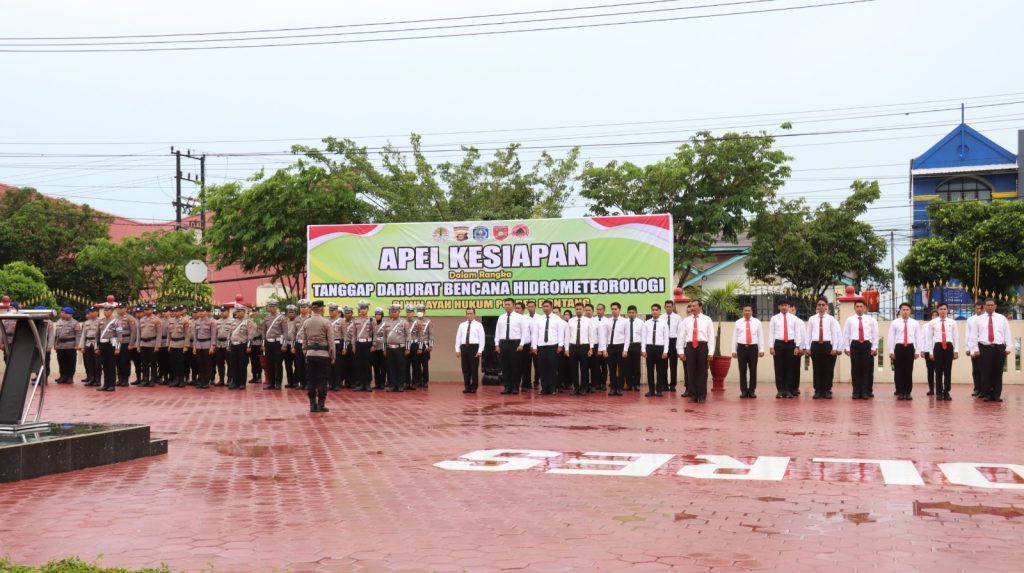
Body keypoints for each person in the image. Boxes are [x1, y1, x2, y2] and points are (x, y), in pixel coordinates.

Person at [968, 297, 1012, 402]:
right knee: (985, 372)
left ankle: (996, 394)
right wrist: (975, 349)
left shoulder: (1002, 318)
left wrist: (1009, 346)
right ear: (984, 306)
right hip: (984, 348)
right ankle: (986, 394)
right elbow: (973, 336)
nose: (990, 307)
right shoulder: (978, 319)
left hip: (999, 347)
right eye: (988, 305)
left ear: (996, 306)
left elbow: (1007, 333)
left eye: (992, 305)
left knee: (998, 372)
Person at [805, 297, 843, 400]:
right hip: (815, 345)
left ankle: (827, 390)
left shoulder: (831, 320)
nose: (821, 307)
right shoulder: (812, 319)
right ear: (816, 306)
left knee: (828, 369)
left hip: (827, 346)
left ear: (826, 306)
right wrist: (807, 347)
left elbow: (834, 334)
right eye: (819, 305)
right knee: (817, 369)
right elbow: (808, 334)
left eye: (823, 305)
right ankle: (818, 390)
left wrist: (834, 348)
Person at [301, 300, 336, 412]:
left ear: (312, 309)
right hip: (323, 355)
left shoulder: (306, 322)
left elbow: (304, 342)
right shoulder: (326, 322)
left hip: (310, 354)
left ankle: (312, 405)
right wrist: (333, 356)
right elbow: (331, 342)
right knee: (322, 380)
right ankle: (321, 404)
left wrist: (306, 354)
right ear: (321, 309)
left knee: (311, 380)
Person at [679, 300, 715, 404]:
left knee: (702, 372)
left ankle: (701, 395)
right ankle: (693, 395)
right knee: (691, 371)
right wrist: (681, 351)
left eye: (694, 306)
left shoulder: (707, 320)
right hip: (690, 346)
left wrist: (710, 352)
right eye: (691, 306)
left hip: (702, 346)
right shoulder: (686, 321)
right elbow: (682, 336)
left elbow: (711, 336)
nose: (692, 308)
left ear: (700, 307)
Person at [842, 299, 878, 400]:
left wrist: (874, 347)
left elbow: (875, 335)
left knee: (866, 369)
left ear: (865, 308)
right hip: (855, 345)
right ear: (854, 308)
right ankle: (856, 392)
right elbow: (846, 334)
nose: (859, 308)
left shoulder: (871, 320)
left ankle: (865, 391)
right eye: (857, 306)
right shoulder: (850, 320)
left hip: (867, 345)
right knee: (855, 369)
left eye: (861, 306)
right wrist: (846, 347)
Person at [494, 297, 530, 395]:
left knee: (515, 366)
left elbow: (524, 332)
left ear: (513, 306)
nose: (507, 306)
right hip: (503, 343)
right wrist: (497, 344)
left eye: (509, 304)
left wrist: (521, 344)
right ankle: (507, 387)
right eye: (505, 304)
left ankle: (515, 387)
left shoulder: (520, 317)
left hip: (515, 343)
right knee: (505, 366)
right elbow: (497, 332)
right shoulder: (501, 317)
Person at [887, 302, 922, 401]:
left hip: (910, 347)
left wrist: (917, 351)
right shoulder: (895, 323)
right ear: (900, 311)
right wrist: (891, 350)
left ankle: (908, 392)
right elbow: (891, 337)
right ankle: (900, 392)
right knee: (899, 370)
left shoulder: (915, 323)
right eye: (903, 309)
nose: (905, 311)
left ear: (910, 311)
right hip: (899, 347)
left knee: (908, 370)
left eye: (907, 310)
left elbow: (918, 337)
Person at [530, 300, 564, 395]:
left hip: (553, 346)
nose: (545, 308)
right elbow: (535, 334)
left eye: (547, 306)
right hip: (541, 346)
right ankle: (544, 388)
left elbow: (560, 333)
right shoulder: (539, 319)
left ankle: (553, 388)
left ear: (551, 307)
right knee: (542, 368)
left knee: (552, 368)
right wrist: (534, 346)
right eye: (544, 306)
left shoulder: (557, 319)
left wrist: (560, 345)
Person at [769, 299, 800, 399]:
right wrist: (771, 346)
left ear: (789, 306)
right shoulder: (774, 318)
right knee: (778, 368)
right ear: (779, 307)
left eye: (786, 305)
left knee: (790, 368)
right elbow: (771, 333)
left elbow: (797, 333)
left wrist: (797, 346)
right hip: (778, 344)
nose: (784, 307)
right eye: (782, 305)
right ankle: (780, 390)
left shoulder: (794, 319)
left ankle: (788, 390)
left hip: (791, 344)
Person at [731, 304, 764, 398]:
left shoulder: (757, 322)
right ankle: (744, 391)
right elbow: (735, 337)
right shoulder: (738, 322)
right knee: (742, 371)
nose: (747, 312)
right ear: (743, 312)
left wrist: (761, 349)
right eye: (745, 310)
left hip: (753, 348)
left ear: (752, 311)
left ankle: (752, 390)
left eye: (749, 310)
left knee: (753, 370)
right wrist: (733, 350)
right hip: (741, 348)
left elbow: (760, 336)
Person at [927, 302, 958, 401]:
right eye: (941, 309)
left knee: (948, 370)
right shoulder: (932, 323)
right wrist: (931, 352)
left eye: (944, 309)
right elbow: (929, 338)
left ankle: (947, 391)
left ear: (947, 310)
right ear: (937, 310)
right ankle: (939, 392)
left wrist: (956, 350)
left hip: (948, 346)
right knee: (938, 370)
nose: (943, 311)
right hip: (938, 346)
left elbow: (955, 337)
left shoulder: (952, 322)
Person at [380, 304, 411, 392]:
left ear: (399, 312)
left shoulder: (404, 322)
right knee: (390, 367)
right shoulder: (386, 322)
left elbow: (408, 336)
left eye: (395, 312)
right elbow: (384, 337)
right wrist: (384, 349)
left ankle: (400, 385)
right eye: (392, 312)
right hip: (390, 348)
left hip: (400, 348)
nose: (393, 313)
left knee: (400, 367)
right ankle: (392, 385)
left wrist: (408, 348)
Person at [565, 303, 595, 395]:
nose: (578, 310)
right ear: (575, 310)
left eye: (580, 309)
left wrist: (591, 348)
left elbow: (591, 335)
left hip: (584, 347)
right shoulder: (571, 320)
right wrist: (566, 349)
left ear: (583, 310)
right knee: (573, 369)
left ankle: (583, 388)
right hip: (573, 347)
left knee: (584, 369)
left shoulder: (588, 321)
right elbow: (567, 336)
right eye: (577, 309)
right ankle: (576, 388)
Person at [347, 301, 376, 392]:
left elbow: (375, 333)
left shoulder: (372, 320)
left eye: (364, 309)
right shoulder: (356, 320)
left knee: (367, 364)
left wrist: (374, 344)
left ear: (367, 309)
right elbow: (354, 335)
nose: (362, 311)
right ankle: (360, 383)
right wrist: (353, 345)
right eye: (361, 309)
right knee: (358, 364)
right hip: (359, 344)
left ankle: (367, 384)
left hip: (368, 344)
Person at [455, 307, 486, 393]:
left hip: (474, 347)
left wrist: (480, 351)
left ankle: (474, 387)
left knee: (473, 368)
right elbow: (458, 337)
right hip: (464, 347)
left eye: (471, 313)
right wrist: (457, 349)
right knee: (465, 368)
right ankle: (467, 387)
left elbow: (482, 339)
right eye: (467, 313)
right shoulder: (462, 325)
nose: (469, 315)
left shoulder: (479, 325)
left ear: (474, 314)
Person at [642, 303, 668, 397]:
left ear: (660, 311)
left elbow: (666, 338)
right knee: (650, 370)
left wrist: (665, 351)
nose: (654, 311)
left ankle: (659, 390)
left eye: (656, 310)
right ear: (651, 311)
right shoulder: (647, 323)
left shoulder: (664, 323)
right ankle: (651, 390)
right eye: (653, 310)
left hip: (660, 348)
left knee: (660, 370)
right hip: (649, 348)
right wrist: (643, 349)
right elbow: (644, 337)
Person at [228, 304, 256, 390]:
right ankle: (235, 382)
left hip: (242, 345)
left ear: (244, 312)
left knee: (242, 364)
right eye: (237, 311)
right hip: (234, 345)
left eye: (239, 311)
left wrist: (248, 346)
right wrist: (228, 345)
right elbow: (230, 334)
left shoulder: (248, 322)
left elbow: (250, 335)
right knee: (233, 364)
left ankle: (242, 383)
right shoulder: (233, 322)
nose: (237, 313)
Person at [189, 305, 217, 389]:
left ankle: (206, 381)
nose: (200, 313)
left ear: (206, 312)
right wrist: (194, 346)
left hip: (207, 344)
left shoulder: (211, 322)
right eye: (199, 311)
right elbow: (195, 336)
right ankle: (201, 380)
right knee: (199, 364)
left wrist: (212, 346)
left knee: (207, 364)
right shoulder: (196, 322)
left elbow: (213, 335)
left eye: (202, 311)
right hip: (198, 345)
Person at [262, 299, 286, 390]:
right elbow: (263, 332)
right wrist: (263, 344)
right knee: (269, 363)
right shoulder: (266, 318)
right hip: (268, 342)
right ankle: (271, 382)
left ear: (277, 307)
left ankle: (278, 382)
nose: (271, 308)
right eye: (270, 306)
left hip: (277, 343)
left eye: (273, 306)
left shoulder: (282, 318)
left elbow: (285, 332)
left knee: (278, 363)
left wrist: (284, 344)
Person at [135, 304, 161, 387]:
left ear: (152, 310)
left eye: (148, 309)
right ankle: (145, 379)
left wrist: (157, 345)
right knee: (144, 363)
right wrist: (138, 345)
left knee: (153, 363)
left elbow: (159, 333)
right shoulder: (142, 319)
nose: (146, 311)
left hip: (152, 343)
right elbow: (139, 333)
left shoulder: (157, 320)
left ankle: (153, 379)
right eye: (145, 310)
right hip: (143, 343)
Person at [52, 306, 80, 384]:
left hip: (70, 345)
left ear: (69, 314)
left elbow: (78, 335)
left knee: (71, 362)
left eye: (63, 313)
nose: (62, 314)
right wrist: (55, 344)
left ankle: (70, 377)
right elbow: (57, 335)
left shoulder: (75, 323)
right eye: (62, 313)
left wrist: (77, 345)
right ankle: (62, 376)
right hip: (60, 345)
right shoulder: (59, 321)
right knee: (61, 362)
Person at [95, 302, 120, 392]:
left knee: (111, 366)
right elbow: (97, 335)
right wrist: (97, 347)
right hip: (102, 345)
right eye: (104, 310)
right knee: (104, 365)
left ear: (112, 311)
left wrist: (117, 347)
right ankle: (105, 384)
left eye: (107, 310)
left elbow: (119, 335)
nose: (105, 312)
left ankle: (111, 385)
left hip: (111, 345)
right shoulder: (100, 321)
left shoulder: (116, 321)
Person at [165, 305, 191, 387]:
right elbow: (169, 334)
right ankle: (176, 379)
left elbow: (187, 334)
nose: (175, 313)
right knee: (174, 362)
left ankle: (182, 380)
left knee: (181, 362)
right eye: (174, 311)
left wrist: (186, 345)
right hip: (173, 343)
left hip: (181, 343)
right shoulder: (171, 320)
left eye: (177, 311)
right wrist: (168, 344)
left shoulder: (185, 321)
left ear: (180, 312)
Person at [602, 302, 625, 396]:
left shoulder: (624, 321)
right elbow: (604, 336)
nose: (613, 310)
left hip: (620, 346)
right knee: (611, 369)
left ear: (619, 309)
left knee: (621, 368)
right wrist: (604, 349)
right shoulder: (608, 321)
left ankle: (619, 388)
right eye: (612, 309)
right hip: (610, 347)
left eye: (615, 309)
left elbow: (627, 336)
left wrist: (625, 349)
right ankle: (613, 388)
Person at [115, 303, 138, 387]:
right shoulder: (115, 318)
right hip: (118, 342)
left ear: (125, 308)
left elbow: (134, 332)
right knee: (118, 361)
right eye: (118, 308)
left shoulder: (130, 318)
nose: (119, 309)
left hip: (126, 341)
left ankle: (125, 379)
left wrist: (131, 344)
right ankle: (120, 378)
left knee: (125, 361)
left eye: (121, 308)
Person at [77, 306, 100, 386]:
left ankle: (97, 379)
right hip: (88, 343)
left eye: (93, 312)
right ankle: (91, 378)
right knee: (89, 362)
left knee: (97, 363)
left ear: (97, 312)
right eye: (90, 312)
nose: (91, 313)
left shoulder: (100, 322)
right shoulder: (86, 323)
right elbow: (83, 334)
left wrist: (99, 346)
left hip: (96, 343)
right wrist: (82, 346)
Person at [965, 302, 984, 397]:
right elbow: (968, 334)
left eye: (981, 308)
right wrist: (968, 348)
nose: (979, 310)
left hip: (984, 347)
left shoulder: (986, 319)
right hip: (973, 347)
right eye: (977, 308)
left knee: (984, 369)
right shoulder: (970, 320)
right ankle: (977, 388)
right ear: (974, 309)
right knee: (975, 369)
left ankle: (984, 389)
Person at [292, 299, 311, 390]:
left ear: (308, 308)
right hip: (298, 344)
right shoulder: (297, 319)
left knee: (307, 364)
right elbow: (293, 333)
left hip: (307, 344)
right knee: (298, 364)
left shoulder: (311, 318)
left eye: (304, 307)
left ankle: (308, 383)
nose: (302, 309)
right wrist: (293, 345)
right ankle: (301, 382)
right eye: (301, 307)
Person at [404, 305, 423, 390]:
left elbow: (421, 335)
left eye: (411, 312)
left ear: (413, 313)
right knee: (406, 365)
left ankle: (415, 382)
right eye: (408, 312)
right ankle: (406, 383)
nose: (409, 314)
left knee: (415, 364)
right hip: (406, 345)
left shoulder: (418, 322)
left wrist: (420, 347)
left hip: (415, 345)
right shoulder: (403, 322)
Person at [663, 300, 681, 392]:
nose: (669, 308)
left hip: (674, 341)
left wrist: (678, 347)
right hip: (664, 342)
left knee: (673, 365)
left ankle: (673, 385)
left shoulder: (678, 318)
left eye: (670, 306)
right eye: (667, 306)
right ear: (665, 307)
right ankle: (664, 384)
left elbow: (679, 332)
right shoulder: (661, 317)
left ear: (673, 307)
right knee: (663, 365)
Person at [521, 300, 539, 391]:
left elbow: (537, 333)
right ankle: (526, 383)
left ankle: (536, 382)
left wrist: (534, 345)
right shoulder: (524, 317)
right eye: (529, 306)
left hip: (537, 345)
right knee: (525, 365)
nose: (530, 308)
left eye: (532, 306)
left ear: (535, 307)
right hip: (526, 345)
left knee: (537, 365)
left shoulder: (540, 318)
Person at [328, 303, 346, 391]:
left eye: (333, 310)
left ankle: (338, 384)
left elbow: (345, 335)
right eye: (330, 310)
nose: (331, 312)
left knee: (337, 365)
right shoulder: (327, 320)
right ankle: (331, 383)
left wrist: (344, 347)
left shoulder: (342, 321)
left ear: (337, 311)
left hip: (338, 343)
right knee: (329, 364)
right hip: (328, 344)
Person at [416, 304, 434, 388]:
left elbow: (431, 334)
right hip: (416, 345)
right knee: (417, 364)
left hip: (425, 345)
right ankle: (418, 381)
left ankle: (425, 381)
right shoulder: (414, 321)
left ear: (424, 312)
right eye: (418, 311)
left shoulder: (428, 321)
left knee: (425, 364)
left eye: (421, 311)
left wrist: (431, 345)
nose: (420, 312)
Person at [922, 308, 938, 396]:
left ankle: (939, 388)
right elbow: (923, 338)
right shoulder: (925, 326)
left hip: (938, 350)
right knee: (930, 371)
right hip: (928, 350)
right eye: (933, 315)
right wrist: (922, 350)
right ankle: (931, 389)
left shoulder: (940, 324)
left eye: (936, 315)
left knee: (938, 371)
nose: (934, 317)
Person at [282, 305, 298, 388]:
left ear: (295, 313)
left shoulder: (298, 321)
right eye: (289, 312)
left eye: (292, 312)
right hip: (286, 344)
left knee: (297, 364)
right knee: (288, 364)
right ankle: (289, 381)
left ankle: (295, 381)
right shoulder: (285, 322)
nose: (290, 314)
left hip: (295, 345)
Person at [371, 307, 387, 390]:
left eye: (379, 314)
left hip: (382, 348)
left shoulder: (385, 323)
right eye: (376, 314)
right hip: (374, 348)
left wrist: (385, 349)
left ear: (382, 315)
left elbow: (386, 336)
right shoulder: (372, 323)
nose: (377, 316)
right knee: (375, 366)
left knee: (383, 366)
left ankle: (382, 383)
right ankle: (377, 383)